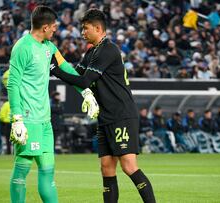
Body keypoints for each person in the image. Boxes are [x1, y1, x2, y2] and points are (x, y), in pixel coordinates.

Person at [50, 9, 156, 203]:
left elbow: (84, 81)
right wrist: (56, 57)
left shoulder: (108, 49)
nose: (82, 33)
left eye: (85, 28)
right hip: (105, 116)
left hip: (121, 114)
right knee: (106, 168)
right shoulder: (92, 51)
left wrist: (55, 70)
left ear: (98, 28)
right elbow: (76, 76)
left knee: (129, 166)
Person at [7, 6, 99, 203]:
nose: (56, 29)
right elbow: (13, 84)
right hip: (28, 119)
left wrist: (86, 92)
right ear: (45, 27)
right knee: (21, 170)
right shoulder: (22, 47)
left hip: (45, 121)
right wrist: (17, 118)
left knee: (48, 172)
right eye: (54, 26)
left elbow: (66, 69)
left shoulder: (49, 48)